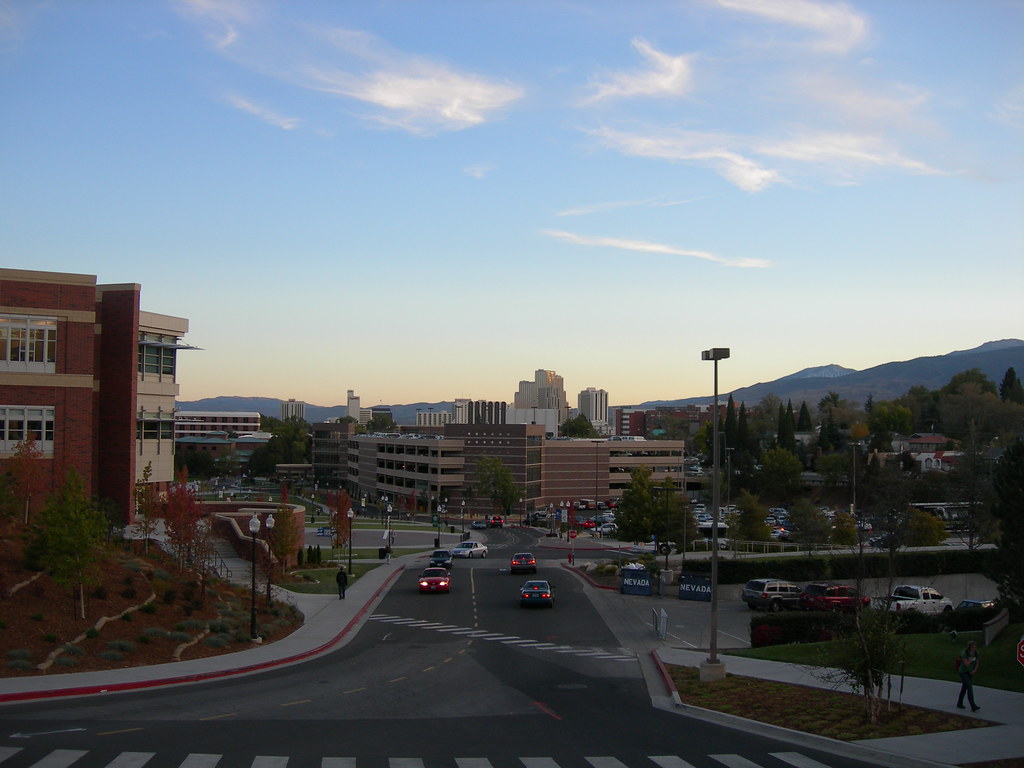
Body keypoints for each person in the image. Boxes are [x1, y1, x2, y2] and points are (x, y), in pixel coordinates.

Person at [957, 639, 980, 712]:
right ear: (970, 647)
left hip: (970, 672)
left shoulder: (976, 653)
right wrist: (970, 660)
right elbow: (966, 664)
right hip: (963, 672)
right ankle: (973, 705)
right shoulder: (964, 653)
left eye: (975, 647)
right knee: (969, 687)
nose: (974, 649)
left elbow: (977, 662)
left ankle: (959, 703)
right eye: (973, 647)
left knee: (964, 687)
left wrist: (974, 670)